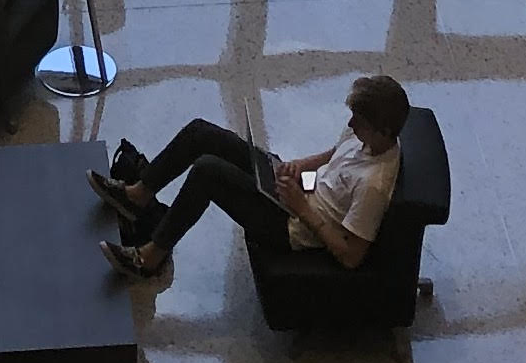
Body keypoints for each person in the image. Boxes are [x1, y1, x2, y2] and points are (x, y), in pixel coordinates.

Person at [91, 71, 410, 282]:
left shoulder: (373, 186)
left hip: (294, 225)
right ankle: (138, 196)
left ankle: (150, 258)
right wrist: (298, 165)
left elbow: (351, 256)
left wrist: (303, 209)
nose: (351, 125)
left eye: (360, 122)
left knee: (207, 171)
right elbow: (334, 154)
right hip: (298, 194)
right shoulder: (366, 136)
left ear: (383, 130)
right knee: (200, 132)